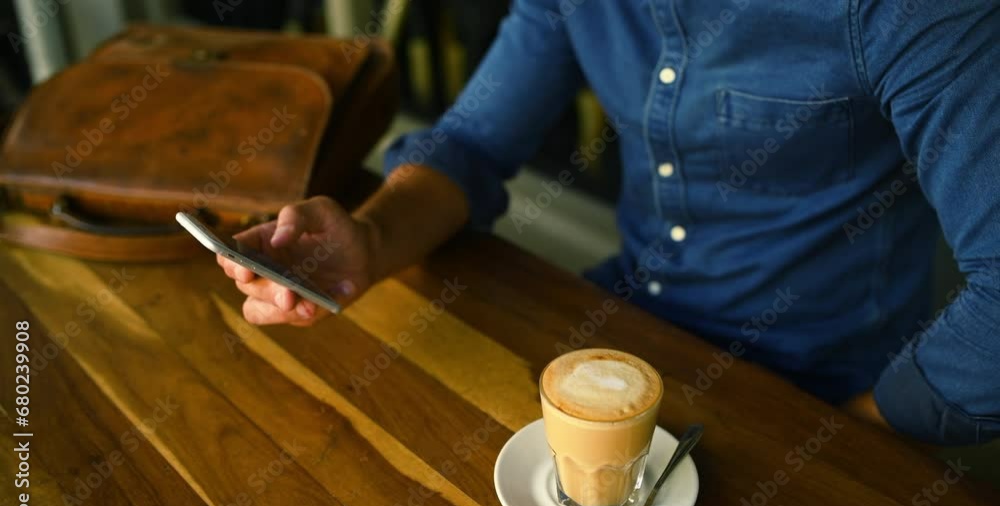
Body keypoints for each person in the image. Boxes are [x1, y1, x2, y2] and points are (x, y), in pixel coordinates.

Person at [217, 1, 999, 445]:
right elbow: (472, 142)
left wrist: (855, 434)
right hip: (626, 329)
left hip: (818, 387)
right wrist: (372, 239)